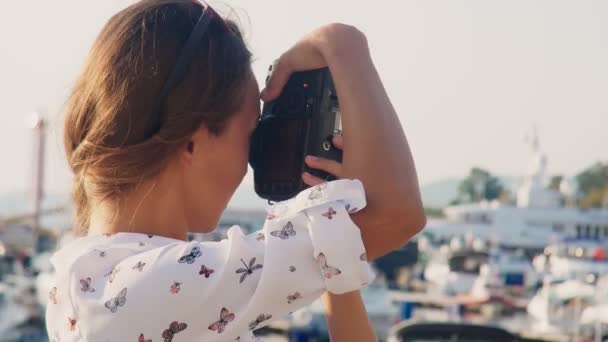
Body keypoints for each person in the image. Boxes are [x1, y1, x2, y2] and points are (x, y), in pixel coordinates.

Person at [45, 0, 426, 341]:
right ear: (192, 142)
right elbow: (397, 214)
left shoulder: (81, 282)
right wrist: (343, 44)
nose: (252, 159)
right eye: (250, 133)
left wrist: (332, 240)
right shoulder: (161, 286)